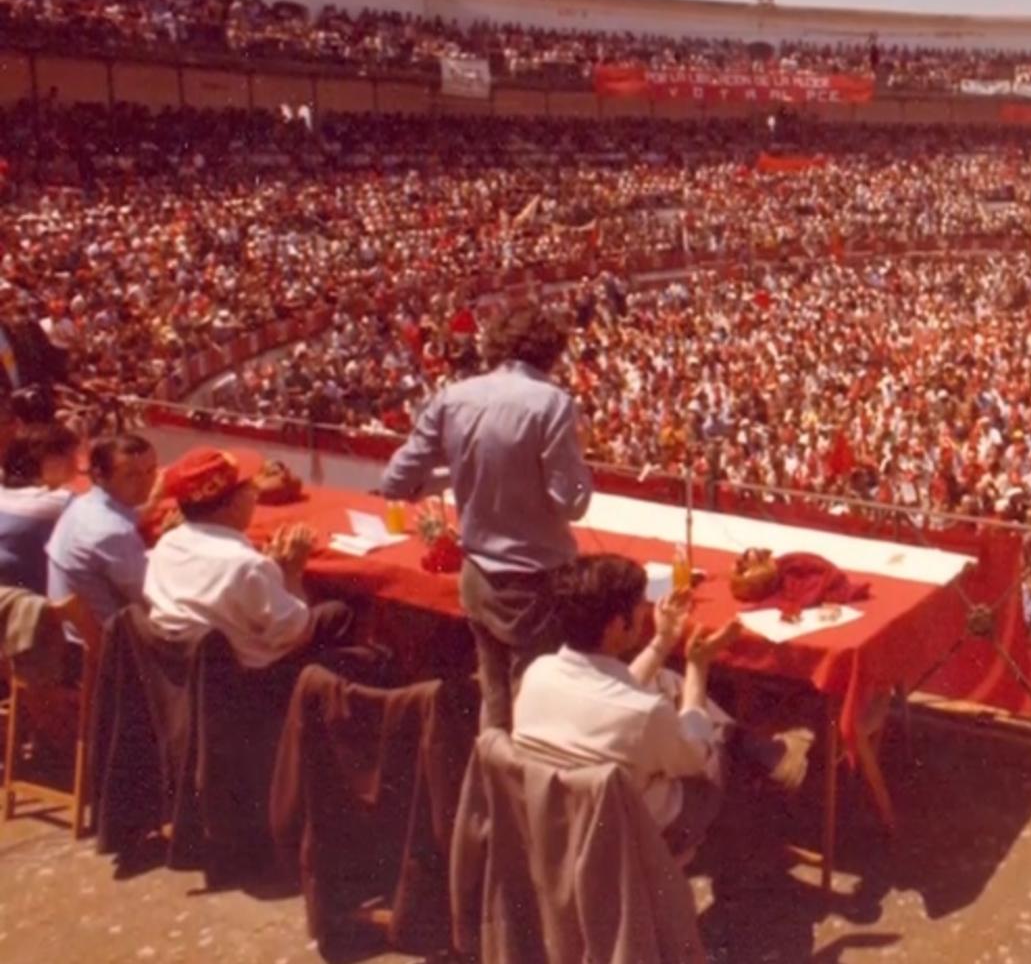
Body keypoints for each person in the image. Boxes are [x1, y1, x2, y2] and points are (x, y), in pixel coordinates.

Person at [380, 307, 594, 730]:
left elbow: (395, 483)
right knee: (533, 710)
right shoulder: (553, 404)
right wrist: (580, 459)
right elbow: (571, 503)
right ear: (550, 353)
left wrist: (457, 475)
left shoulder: (454, 397)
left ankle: (490, 789)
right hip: (534, 583)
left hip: (477, 576)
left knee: (495, 703)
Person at [512, 554, 741, 861]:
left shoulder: (537, 672)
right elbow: (696, 758)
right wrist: (698, 668)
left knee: (668, 685)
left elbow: (609, 694)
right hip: (629, 835)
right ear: (619, 624)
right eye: (641, 605)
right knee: (717, 739)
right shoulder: (645, 713)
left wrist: (662, 641)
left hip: (555, 820)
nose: (647, 610)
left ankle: (763, 752)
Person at [143, 447, 377, 676]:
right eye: (249, 489)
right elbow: (296, 633)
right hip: (248, 681)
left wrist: (271, 572)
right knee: (343, 615)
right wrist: (291, 574)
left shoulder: (166, 543)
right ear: (232, 505)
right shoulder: (246, 565)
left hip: (182, 670)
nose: (255, 494)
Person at [45, 433, 157, 672]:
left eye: (151, 471)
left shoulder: (80, 503)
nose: (147, 482)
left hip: (67, 639)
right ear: (98, 475)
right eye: (131, 475)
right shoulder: (114, 533)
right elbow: (153, 600)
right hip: (104, 658)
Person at [0, 423, 79, 593]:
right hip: (27, 603)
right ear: (35, 460)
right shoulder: (57, 502)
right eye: (64, 455)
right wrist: (152, 497)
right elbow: (112, 522)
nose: (73, 461)